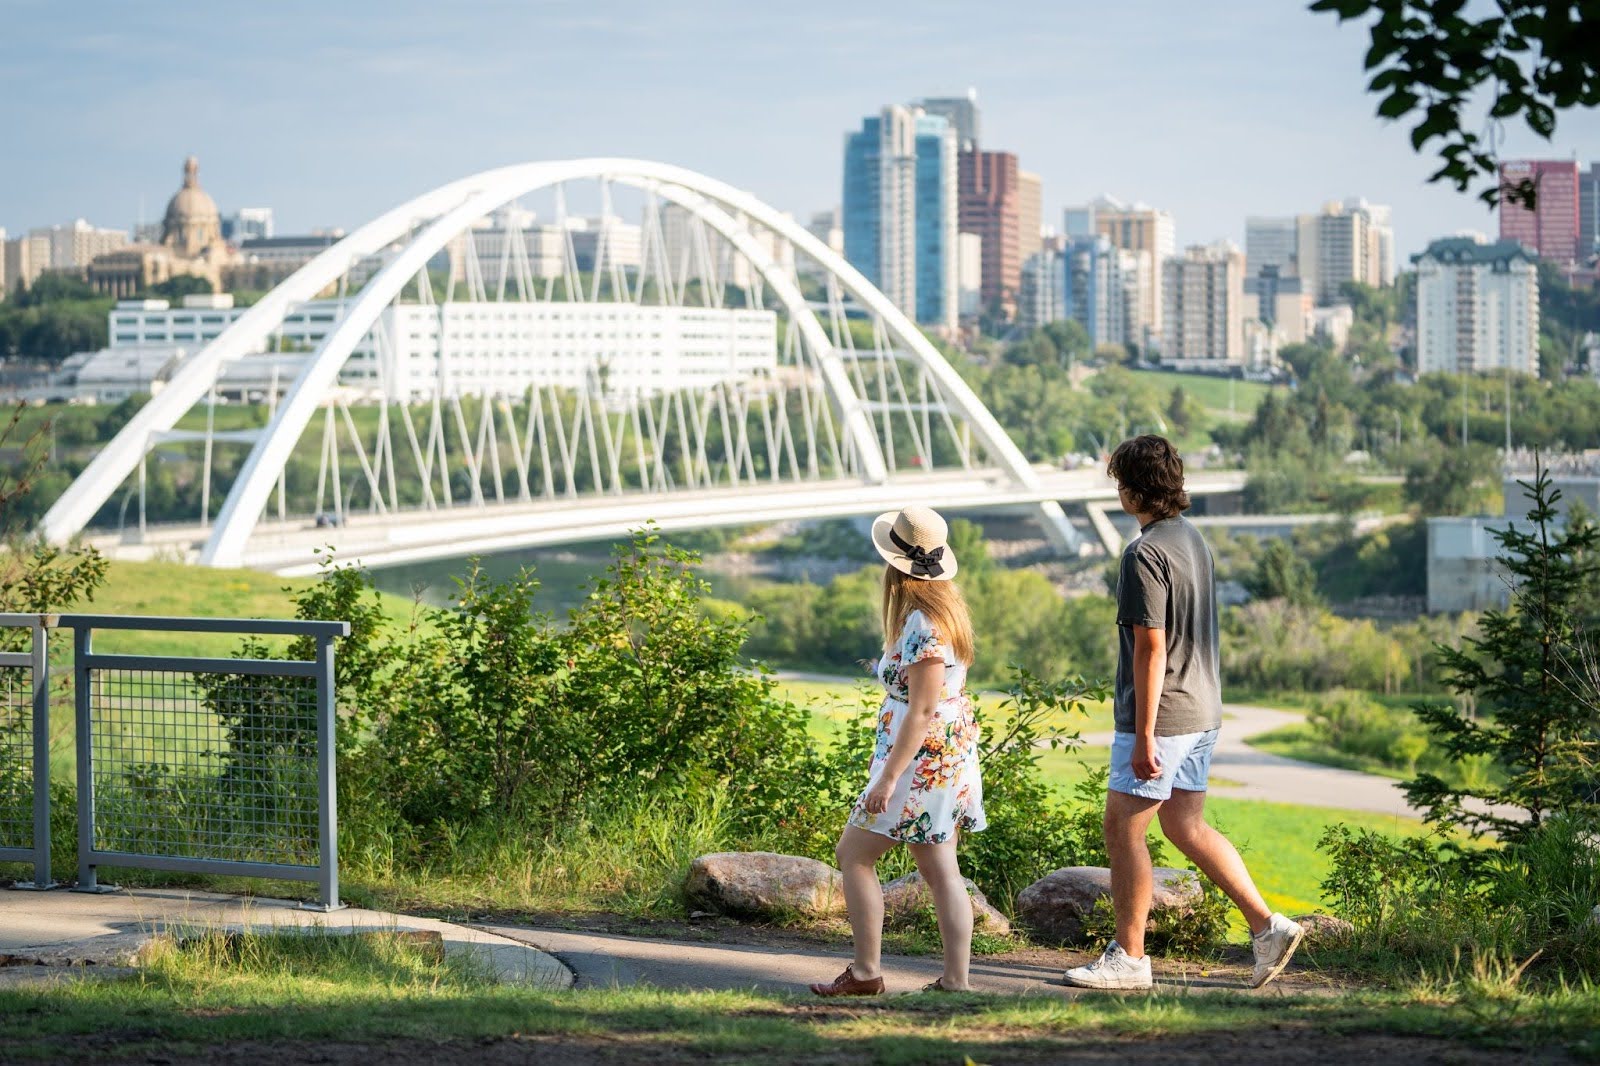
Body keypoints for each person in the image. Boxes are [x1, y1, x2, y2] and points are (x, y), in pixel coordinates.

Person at [1064, 435, 1303, 992]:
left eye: (1119, 482)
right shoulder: (1192, 539)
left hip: (1164, 716)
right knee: (1184, 825)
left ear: (1132, 490)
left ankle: (1129, 958)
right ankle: (1268, 927)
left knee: (1124, 828)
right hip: (1203, 707)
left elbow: (1151, 646)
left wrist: (1144, 733)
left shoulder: (1143, 554)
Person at [809, 505, 987, 996]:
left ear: (896, 565)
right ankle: (956, 982)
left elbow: (923, 709)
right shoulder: (933, 616)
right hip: (938, 757)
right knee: (938, 867)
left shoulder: (925, 626)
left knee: (854, 855)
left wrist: (888, 778)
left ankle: (867, 973)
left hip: (919, 762)